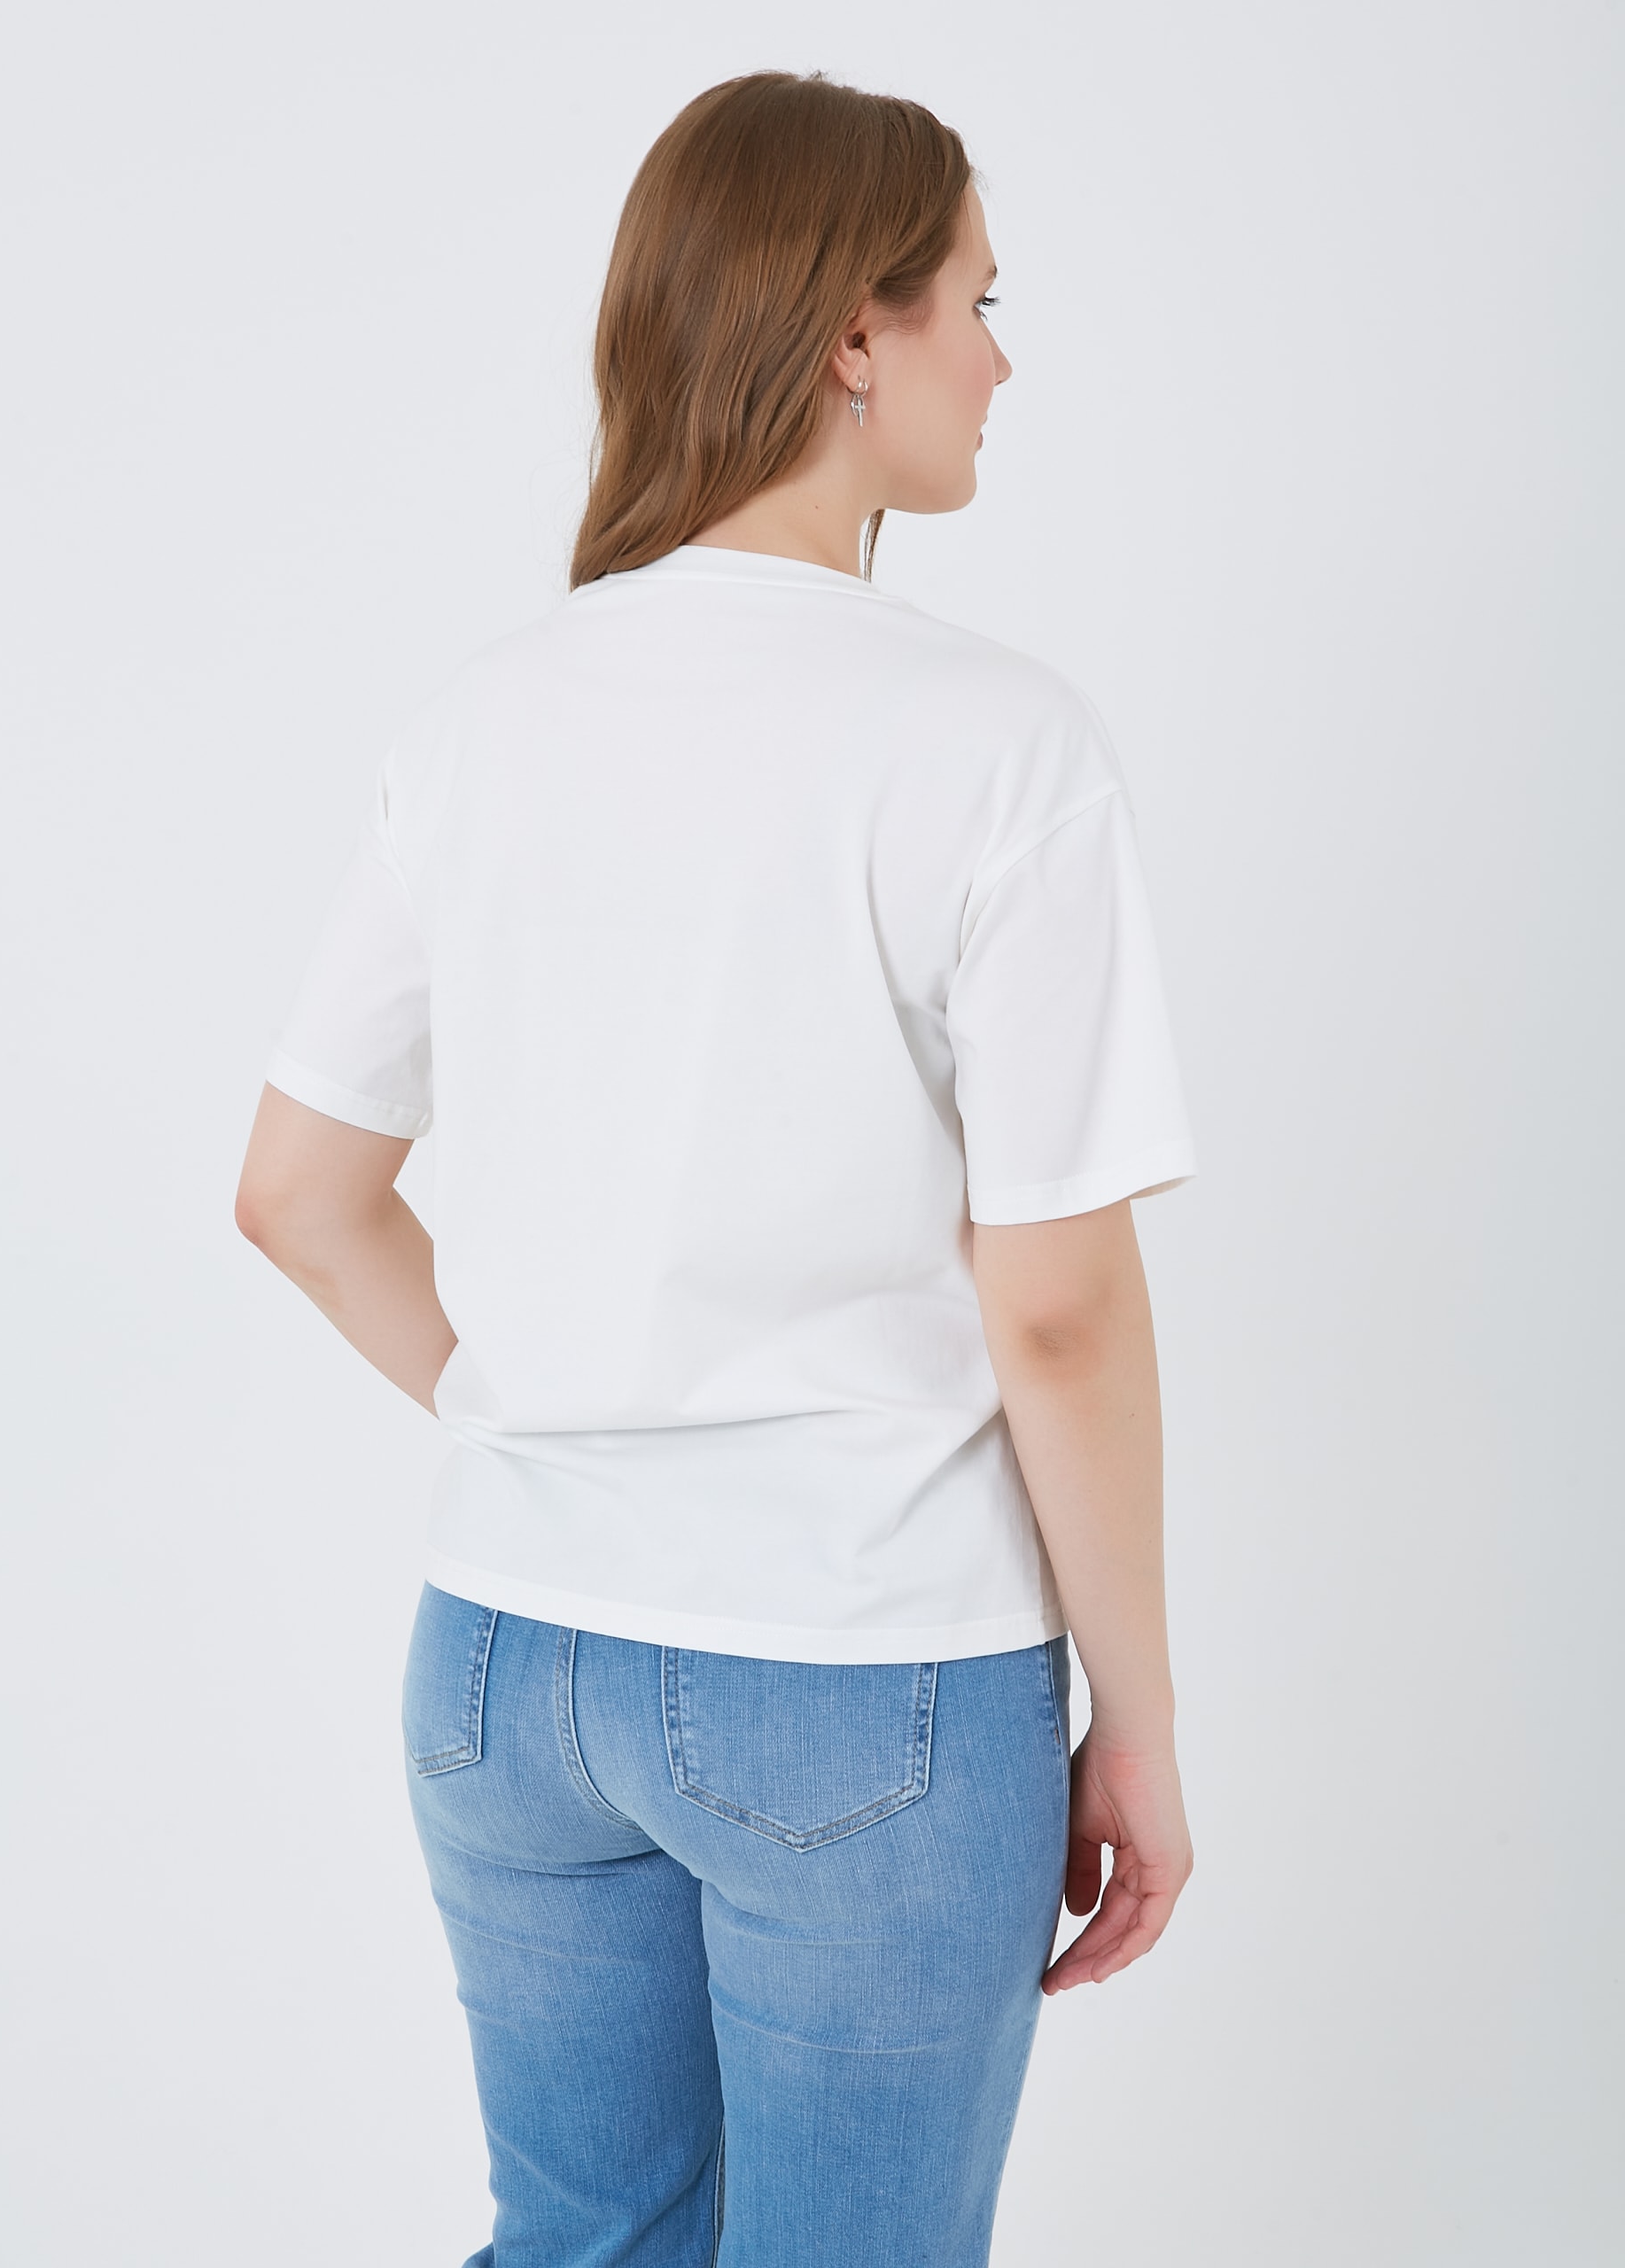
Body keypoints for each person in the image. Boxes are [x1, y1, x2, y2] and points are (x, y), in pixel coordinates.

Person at [235, 67, 1196, 2268]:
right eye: (975, 300)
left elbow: (297, 1190)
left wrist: (544, 1412)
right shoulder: (998, 745)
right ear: (855, 331)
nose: (1001, 359)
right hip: (864, 1674)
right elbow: (1058, 1305)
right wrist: (1135, 1720)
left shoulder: (481, 718)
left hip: (505, 1666)